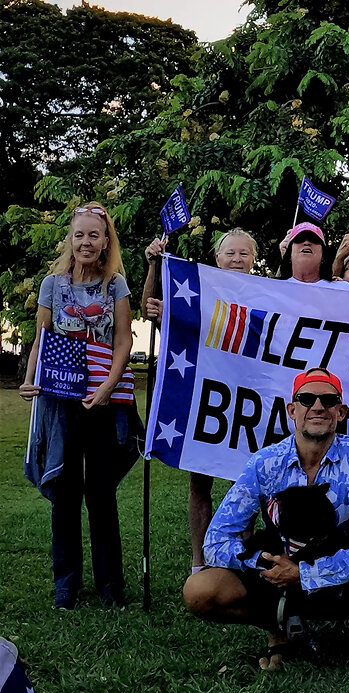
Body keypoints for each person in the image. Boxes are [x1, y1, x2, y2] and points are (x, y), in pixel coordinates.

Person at [183, 368, 349, 673]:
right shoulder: (265, 463)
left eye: (328, 400)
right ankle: (277, 626)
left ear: (341, 411)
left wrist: (306, 573)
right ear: (292, 410)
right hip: (274, 580)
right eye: (307, 399)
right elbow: (216, 540)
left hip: (341, 583)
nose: (318, 407)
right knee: (198, 590)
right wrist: (263, 565)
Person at [20, 203, 141, 609]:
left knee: (101, 493)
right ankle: (65, 587)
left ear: (106, 241)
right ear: (70, 240)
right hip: (62, 399)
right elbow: (42, 337)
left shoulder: (116, 286)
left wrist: (107, 387)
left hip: (103, 400)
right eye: (79, 235)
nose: (86, 242)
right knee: (66, 493)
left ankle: (111, 586)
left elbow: (124, 340)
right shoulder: (52, 285)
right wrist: (29, 378)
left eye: (94, 235)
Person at [141, 228, 260, 575]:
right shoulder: (198, 292)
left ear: (254, 260)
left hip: (250, 404)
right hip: (206, 401)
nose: (237, 259)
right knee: (200, 482)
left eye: (244, 254)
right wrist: (153, 266)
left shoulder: (268, 295)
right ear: (216, 258)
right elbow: (152, 311)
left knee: (248, 486)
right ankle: (200, 562)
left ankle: (240, 561)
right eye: (230, 253)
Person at [278, 223, 349, 290]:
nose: (306, 242)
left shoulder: (342, 290)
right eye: (299, 239)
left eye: (313, 239)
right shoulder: (273, 289)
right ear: (289, 254)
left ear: (323, 256)